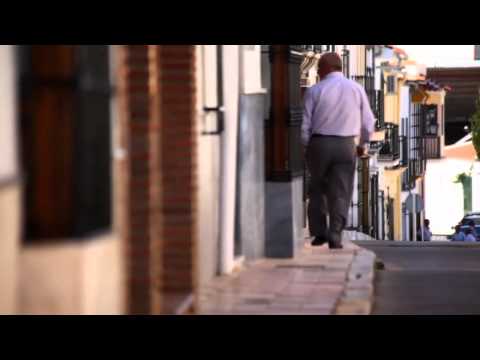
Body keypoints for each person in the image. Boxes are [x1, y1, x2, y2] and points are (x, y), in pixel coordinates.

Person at [302, 52, 375, 249]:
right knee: (341, 191)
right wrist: (362, 145)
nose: (317, 71)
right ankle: (335, 234)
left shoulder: (315, 91)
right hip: (346, 144)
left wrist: (306, 147)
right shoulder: (356, 89)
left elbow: (305, 125)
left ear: (325, 68)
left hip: (320, 143)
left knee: (317, 189)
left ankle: (319, 233)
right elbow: (369, 122)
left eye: (319, 68)